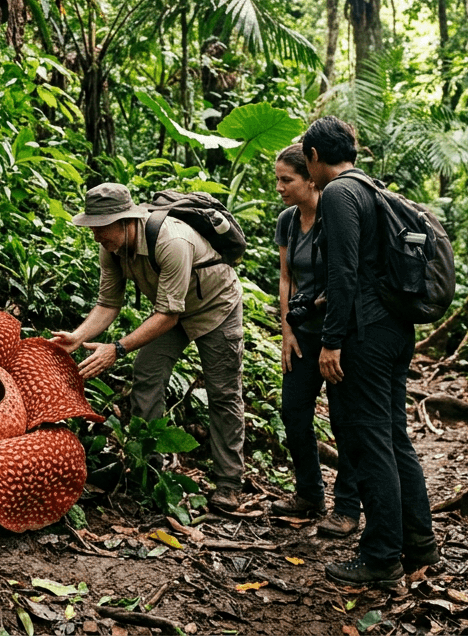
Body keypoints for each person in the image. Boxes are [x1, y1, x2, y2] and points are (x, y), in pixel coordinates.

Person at [50, 183, 246, 513]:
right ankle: (148, 470)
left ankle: (229, 483)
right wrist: (78, 336)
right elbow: (108, 303)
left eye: (101, 228)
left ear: (126, 220)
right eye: (92, 229)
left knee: (223, 392)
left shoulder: (172, 239)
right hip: (172, 311)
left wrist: (116, 348)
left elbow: (167, 316)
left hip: (216, 308)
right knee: (146, 376)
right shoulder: (110, 247)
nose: (96, 236)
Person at [303, 116, 437, 586]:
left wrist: (332, 341)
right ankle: (418, 541)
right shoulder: (372, 189)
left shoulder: (339, 194)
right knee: (394, 437)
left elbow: (344, 273)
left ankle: (381, 556)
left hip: (365, 335)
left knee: (369, 440)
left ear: (314, 157)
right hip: (395, 331)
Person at [268, 144, 361, 538]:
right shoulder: (289, 221)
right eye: (277, 180)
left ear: (311, 176)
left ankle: (347, 507)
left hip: (338, 335)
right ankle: (309, 493)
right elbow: (286, 277)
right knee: (293, 413)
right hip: (303, 334)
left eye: (287, 180)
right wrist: (287, 330)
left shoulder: (336, 214)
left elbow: (347, 276)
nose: (280, 188)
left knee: (344, 420)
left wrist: (333, 338)